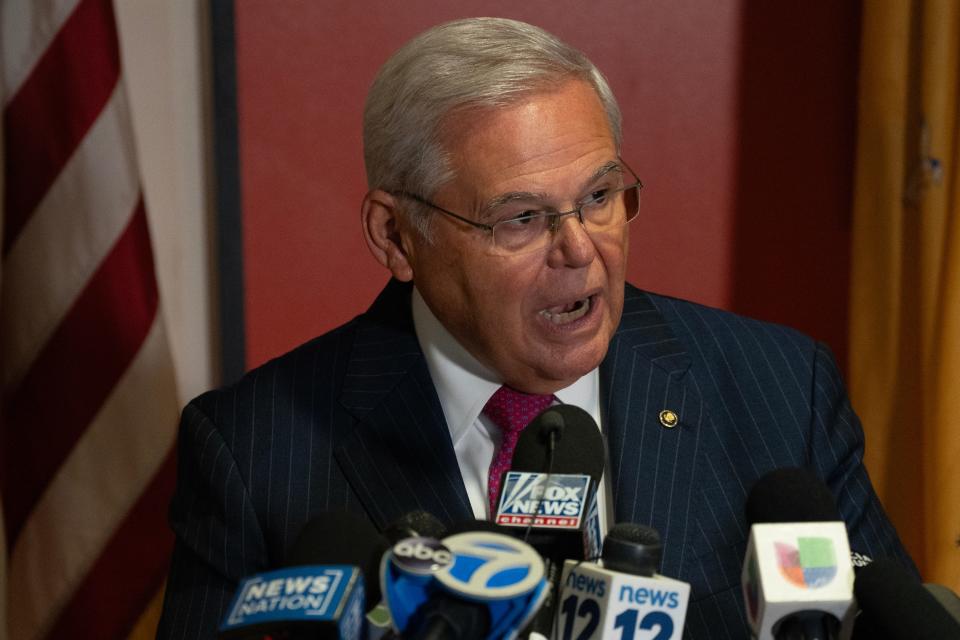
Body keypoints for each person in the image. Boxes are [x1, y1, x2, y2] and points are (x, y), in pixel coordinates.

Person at [157, 17, 914, 638]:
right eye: (520, 218)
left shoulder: (780, 393)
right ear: (395, 237)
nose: (580, 249)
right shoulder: (255, 454)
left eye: (599, 197)